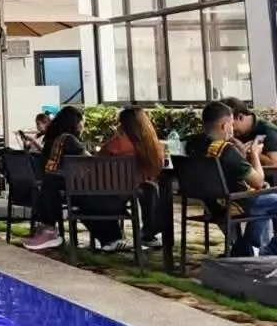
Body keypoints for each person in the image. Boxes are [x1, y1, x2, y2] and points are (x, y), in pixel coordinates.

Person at [185, 101, 277, 256]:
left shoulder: (192, 144)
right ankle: (267, 250)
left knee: (266, 200)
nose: (233, 129)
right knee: (266, 197)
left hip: (212, 203)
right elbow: (258, 181)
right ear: (224, 126)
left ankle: (246, 249)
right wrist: (254, 153)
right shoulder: (226, 150)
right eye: (231, 125)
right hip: (236, 203)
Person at [23, 105, 88, 252]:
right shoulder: (69, 140)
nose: (82, 125)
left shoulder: (53, 139)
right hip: (83, 188)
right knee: (52, 183)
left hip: (60, 188)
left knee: (51, 183)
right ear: (74, 123)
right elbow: (89, 162)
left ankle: (49, 229)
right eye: (81, 122)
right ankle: (49, 231)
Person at [100, 106, 166, 246]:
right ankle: (149, 233)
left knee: (148, 188)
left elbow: (98, 160)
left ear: (123, 124)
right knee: (150, 188)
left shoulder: (116, 144)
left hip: (111, 191)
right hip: (138, 188)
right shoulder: (154, 146)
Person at [225, 97, 277, 167]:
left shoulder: (268, 130)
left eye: (230, 124)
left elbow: (273, 164)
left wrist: (248, 153)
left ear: (240, 117)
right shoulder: (237, 133)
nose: (228, 129)